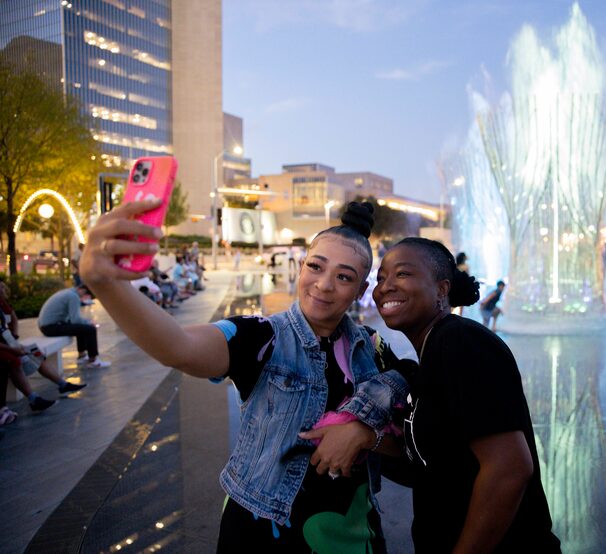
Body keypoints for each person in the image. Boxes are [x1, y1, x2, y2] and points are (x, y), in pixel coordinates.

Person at [79, 199, 410, 552]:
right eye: (316, 266)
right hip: (262, 530)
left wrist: (361, 432)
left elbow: (405, 433)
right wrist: (106, 284)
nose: (324, 284)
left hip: (353, 531)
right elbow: (178, 347)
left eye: (344, 277)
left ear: (361, 291)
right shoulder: (262, 336)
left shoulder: (372, 347)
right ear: (301, 267)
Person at [373, 238, 560, 552]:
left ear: (442, 290)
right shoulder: (433, 353)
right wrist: (367, 438)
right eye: (381, 278)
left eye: (402, 274)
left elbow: (509, 469)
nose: (385, 287)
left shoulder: (460, 341)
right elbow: (434, 468)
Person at [0, 282, 86, 413]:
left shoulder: (2, 304)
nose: (3, 290)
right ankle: (33, 399)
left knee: (35, 353)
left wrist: (14, 336)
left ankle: (62, 384)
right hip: (5, 346)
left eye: (2, 288)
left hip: (8, 342)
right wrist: (12, 348)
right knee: (14, 361)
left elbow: (13, 318)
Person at [37, 284, 110, 368]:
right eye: (87, 295)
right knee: (90, 329)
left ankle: (82, 356)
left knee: (81, 327)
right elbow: (76, 319)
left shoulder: (68, 292)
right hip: (51, 327)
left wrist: (85, 322)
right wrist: (89, 322)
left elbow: (73, 320)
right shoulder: (73, 296)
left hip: (47, 326)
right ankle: (93, 361)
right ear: (83, 290)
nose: (86, 297)